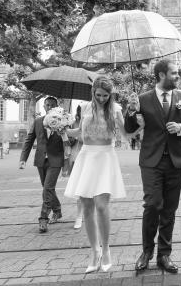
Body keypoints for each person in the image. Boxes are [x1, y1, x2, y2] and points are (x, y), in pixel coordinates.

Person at [125, 59, 181, 274]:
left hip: (176, 161)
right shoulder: (142, 99)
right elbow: (130, 128)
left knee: (169, 209)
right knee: (152, 205)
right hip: (151, 161)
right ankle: (146, 251)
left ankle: (164, 254)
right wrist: (131, 113)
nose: (178, 76)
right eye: (174, 73)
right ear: (161, 75)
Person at [64, 76, 127, 274]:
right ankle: (94, 251)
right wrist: (62, 128)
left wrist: (138, 121)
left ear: (110, 95)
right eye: (98, 95)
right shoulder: (85, 107)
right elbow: (80, 134)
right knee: (87, 207)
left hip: (106, 157)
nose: (101, 99)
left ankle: (106, 249)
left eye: (105, 96)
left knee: (101, 206)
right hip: (87, 157)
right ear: (93, 92)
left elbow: (127, 134)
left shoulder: (115, 110)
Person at [19, 96, 64, 233]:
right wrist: (23, 158)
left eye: (52, 105)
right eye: (47, 105)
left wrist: (64, 133)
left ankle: (43, 218)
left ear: (56, 107)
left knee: (47, 188)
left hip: (55, 160)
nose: (49, 107)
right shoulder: (38, 121)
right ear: (44, 107)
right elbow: (29, 140)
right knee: (47, 187)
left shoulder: (62, 122)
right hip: (40, 160)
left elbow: (71, 141)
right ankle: (57, 210)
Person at [69, 104, 84, 230]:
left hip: (93, 158)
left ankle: (89, 213)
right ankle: (79, 216)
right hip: (77, 157)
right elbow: (68, 140)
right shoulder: (73, 123)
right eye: (81, 111)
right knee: (79, 188)